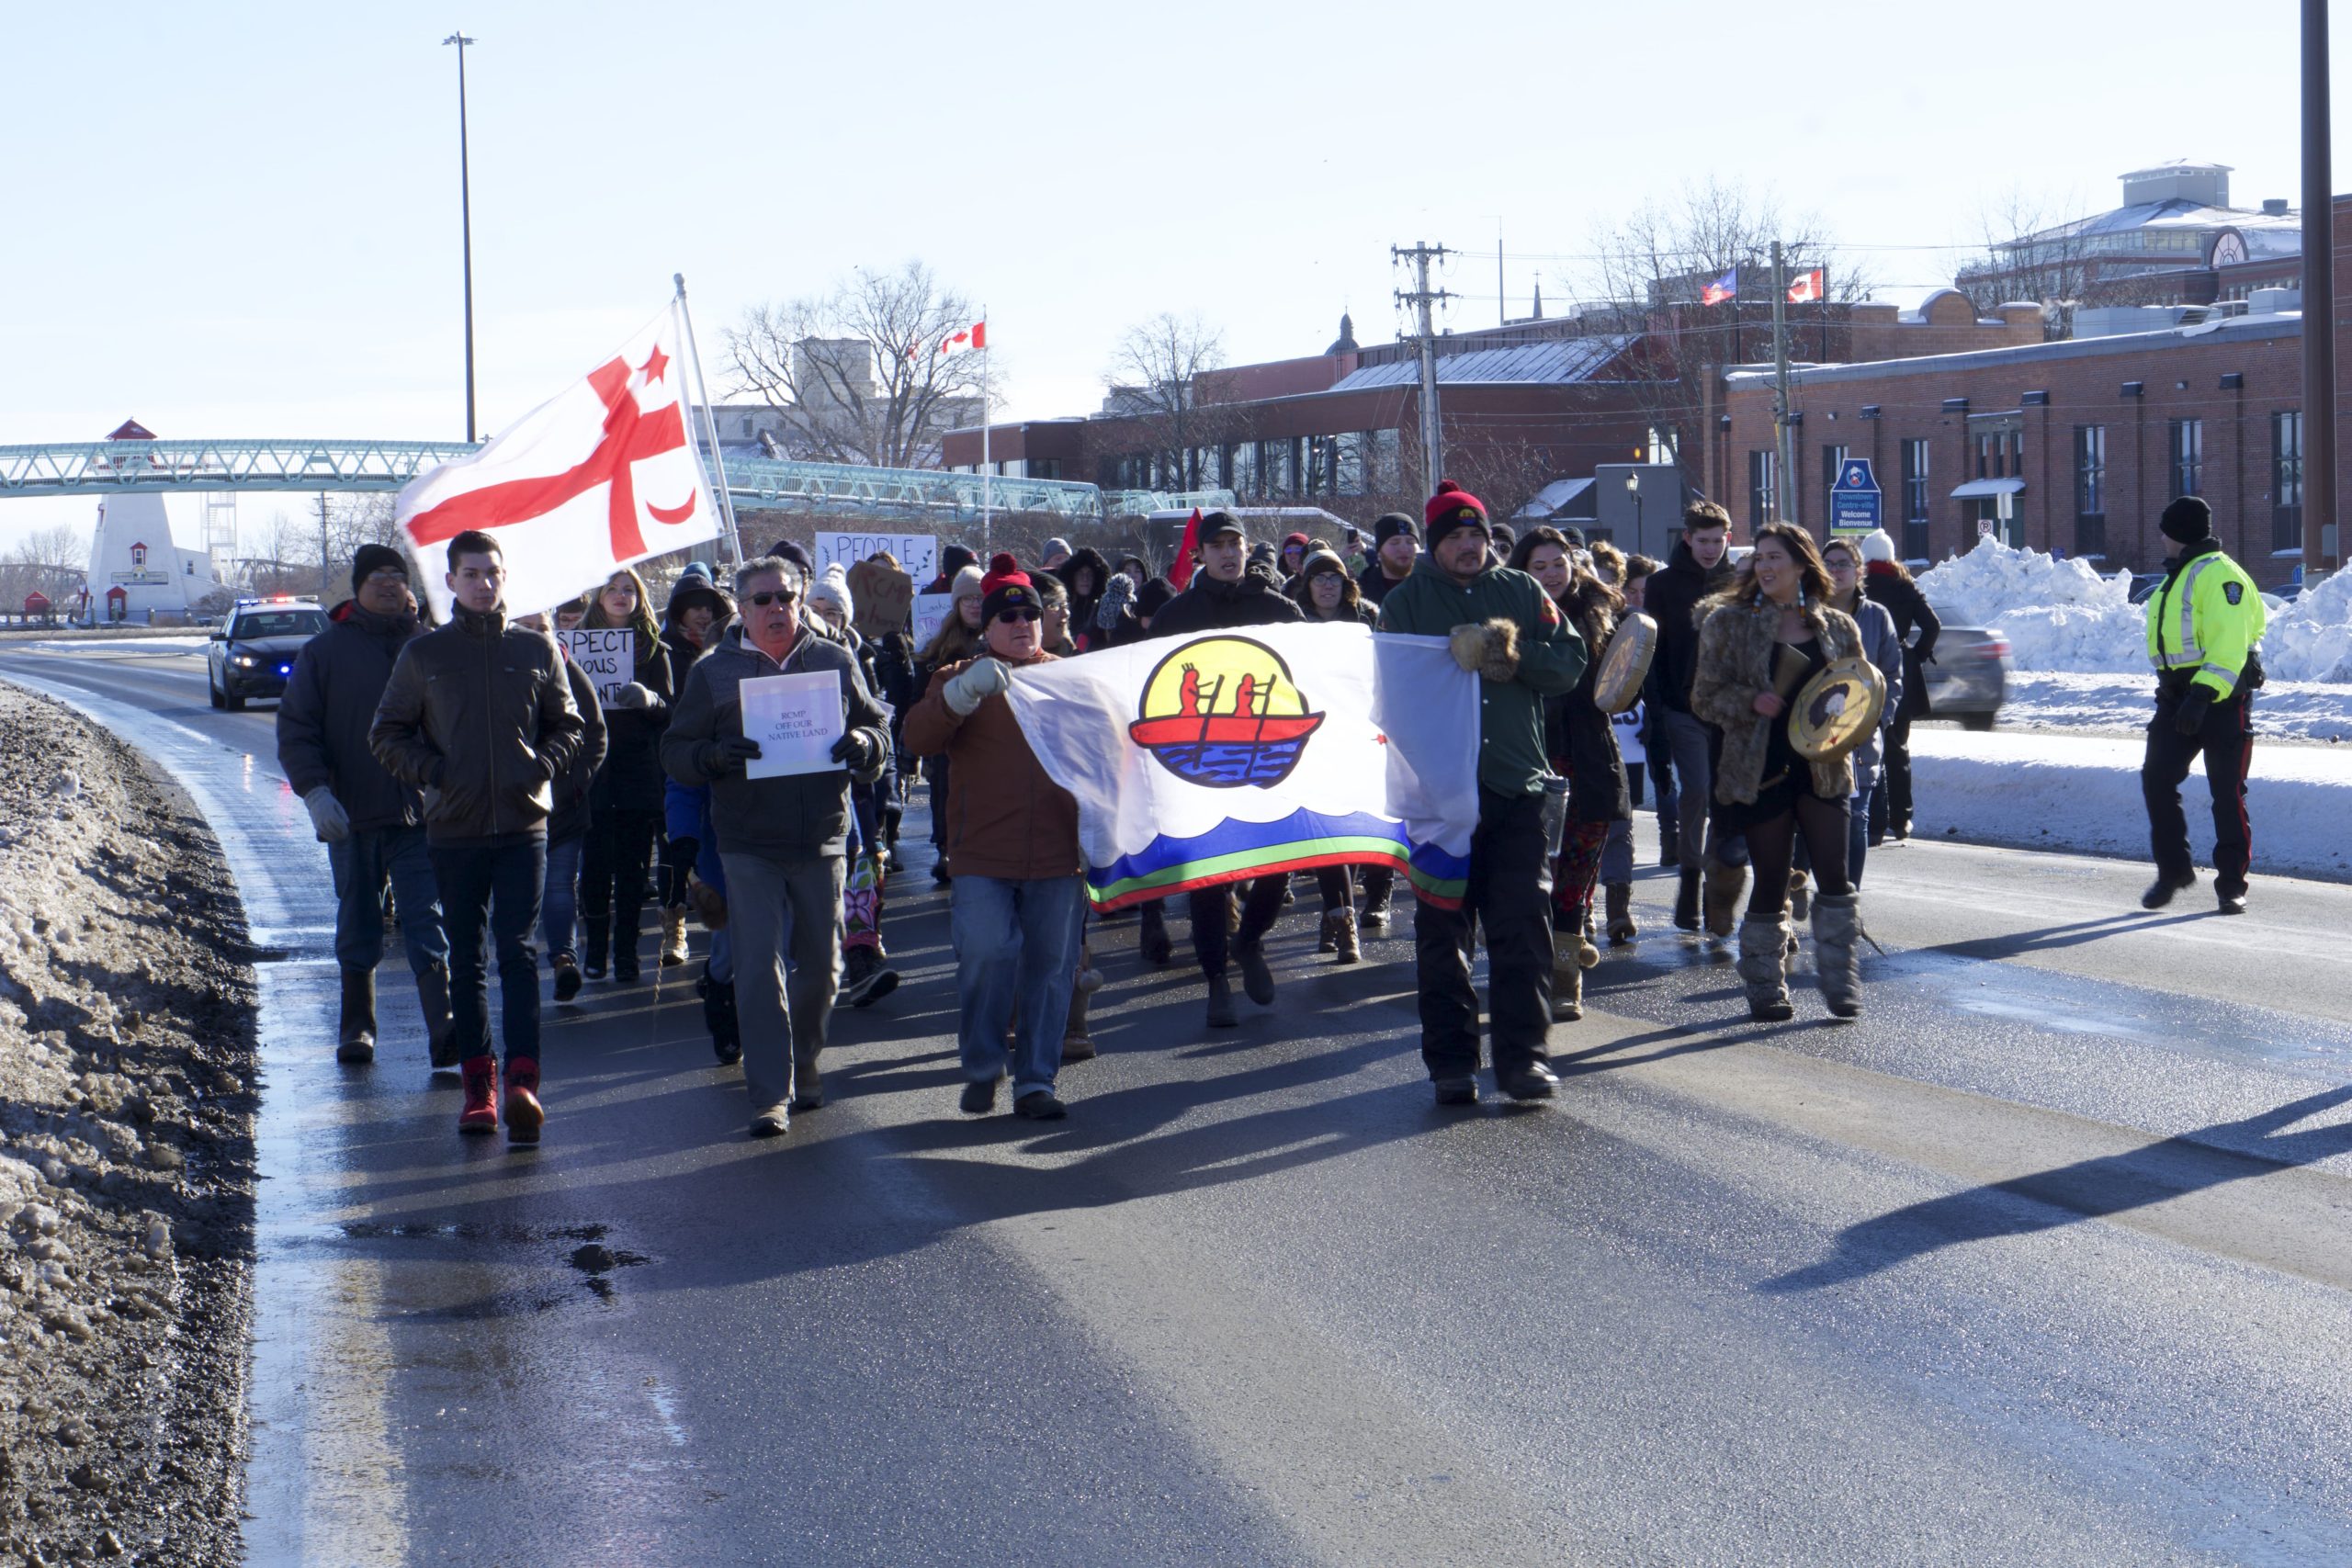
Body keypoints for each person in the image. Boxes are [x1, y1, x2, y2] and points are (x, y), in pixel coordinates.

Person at [661, 556, 893, 1139]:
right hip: (747, 843)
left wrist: (865, 744)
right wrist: (713, 756)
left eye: (786, 597)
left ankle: (807, 1061)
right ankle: (771, 1093)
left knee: (822, 969)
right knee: (759, 970)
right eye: (762, 599)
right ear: (741, 608)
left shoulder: (834, 659)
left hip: (821, 837)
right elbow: (675, 752)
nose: (776, 608)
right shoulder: (714, 672)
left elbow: (881, 733)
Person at [369, 530, 586, 1143]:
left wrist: (539, 766)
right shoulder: (425, 655)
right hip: (454, 829)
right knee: (465, 959)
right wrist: (435, 772)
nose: (484, 583)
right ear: (452, 581)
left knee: (517, 952)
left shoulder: (535, 648)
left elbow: (568, 724)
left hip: (523, 826)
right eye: (472, 574)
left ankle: (523, 1082)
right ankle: (478, 1089)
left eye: (492, 572)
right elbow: (386, 734)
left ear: (503, 577)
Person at [1379, 481, 1588, 1103]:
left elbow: (1570, 662)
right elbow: (1386, 693)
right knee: (1444, 936)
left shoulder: (1520, 590)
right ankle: (1451, 1063)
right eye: (1456, 537)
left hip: (1515, 787)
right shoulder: (1407, 603)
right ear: (1436, 545)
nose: (1469, 546)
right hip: (1439, 800)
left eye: (1477, 534)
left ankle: (1524, 1059)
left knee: (1523, 929)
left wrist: (1511, 658)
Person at [903, 557, 1086, 1119]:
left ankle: (1035, 1082)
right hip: (982, 853)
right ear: (987, 626)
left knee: (1050, 970)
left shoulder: (1070, 679)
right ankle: (984, 1063)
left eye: (1030, 613)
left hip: (1059, 854)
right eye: (1008, 615)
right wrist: (959, 697)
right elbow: (916, 738)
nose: (1021, 623)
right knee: (986, 953)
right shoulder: (956, 675)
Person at [276, 544, 452, 1067]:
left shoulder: (431, 648)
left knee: (428, 919)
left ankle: (444, 1028)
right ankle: (357, 1027)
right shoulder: (324, 653)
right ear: (357, 588)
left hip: (422, 813)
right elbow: (297, 730)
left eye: (397, 576)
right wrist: (315, 792)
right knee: (358, 919)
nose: (388, 584)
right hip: (351, 815)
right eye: (376, 576)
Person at [1688, 523, 1867, 1022]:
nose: (1765, 567)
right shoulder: (1728, 624)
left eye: (1775, 558)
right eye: (1760, 558)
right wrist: (1750, 700)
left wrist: (1848, 718)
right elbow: (1703, 697)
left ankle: (1840, 981)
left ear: (1802, 566)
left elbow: (1857, 693)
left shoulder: (1837, 626)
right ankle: (1766, 984)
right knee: (1771, 878)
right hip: (1759, 767)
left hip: (1823, 767)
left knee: (1834, 877)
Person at [1148, 510, 1306, 1026]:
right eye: (1216, 544)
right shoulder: (1175, 616)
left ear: (1246, 548)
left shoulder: (1279, 609)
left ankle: (1251, 940)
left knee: (1277, 864)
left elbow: (1308, 675)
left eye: (1234, 542)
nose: (1227, 552)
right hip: (1199, 764)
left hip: (1266, 760)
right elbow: (1150, 688)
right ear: (1200, 554)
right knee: (1208, 876)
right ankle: (1216, 978)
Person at [1510, 527, 1628, 1021]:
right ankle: (1532, 968)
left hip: (1590, 764)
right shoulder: (1510, 620)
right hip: (1529, 765)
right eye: (1539, 567)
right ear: (1522, 572)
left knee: (1575, 878)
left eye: (1558, 563)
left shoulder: (1599, 613)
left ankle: (1565, 980)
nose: (1551, 574)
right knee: (1534, 877)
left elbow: (1628, 689)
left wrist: (1623, 683)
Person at [2140, 496, 2267, 915]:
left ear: (2180, 534)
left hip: (2220, 700)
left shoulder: (2220, 575)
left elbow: (2230, 645)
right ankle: (2174, 869)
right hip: (2178, 698)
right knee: (2157, 778)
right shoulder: (2176, 576)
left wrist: (2201, 696)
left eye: (2166, 529)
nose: (2161, 536)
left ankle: (2231, 885)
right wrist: (2178, 694)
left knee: (2226, 794)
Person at [1645, 502, 1742, 935]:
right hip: (1683, 710)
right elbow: (1655, 652)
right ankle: (1689, 881)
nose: (1710, 549)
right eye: (1702, 540)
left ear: (1728, 538)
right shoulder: (1663, 585)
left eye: (1717, 540)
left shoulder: (1740, 582)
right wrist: (1660, 711)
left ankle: (1719, 890)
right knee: (1697, 791)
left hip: (1730, 711)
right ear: (1687, 538)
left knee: (1728, 799)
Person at [575, 567, 674, 983]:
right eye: (612, 589)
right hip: (591, 773)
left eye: (628, 589)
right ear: (598, 597)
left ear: (639, 598)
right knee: (595, 866)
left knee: (634, 871)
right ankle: (596, 951)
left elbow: (672, 713)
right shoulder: (574, 648)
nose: (620, 595)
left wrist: (651, 700)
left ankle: (628, 954)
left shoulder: (656, 652)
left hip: (637, 772)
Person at [1290, 546, 1380, 962]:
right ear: (1307, 584)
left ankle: (1332, 916)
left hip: (1357, 737)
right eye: (1319, 578)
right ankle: (1345, 928)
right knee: (1326, 832)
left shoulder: (1368, 621)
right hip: (1311, 740)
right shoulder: (1290, 624)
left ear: (1347, 584)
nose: (1327, 585)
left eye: (1335, 578)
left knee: (1352, 832)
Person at [1818, 537, 1905, 891]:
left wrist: (1877, 720)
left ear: (1859, 571)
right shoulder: (1807, 614)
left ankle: (1846, 900)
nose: (1836, 571)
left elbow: (1893, 676)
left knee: (1857, 820)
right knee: (1812, 823)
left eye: (1843, 564)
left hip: (1861, 740)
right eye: (1830, 564)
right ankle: (1798, 889)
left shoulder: (1876, 617)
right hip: (1815, 736)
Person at [538, 597, 609, 1004]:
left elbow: (596, 734)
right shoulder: (496, 671)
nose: (536, 635)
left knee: (560, 885)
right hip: (510, 805)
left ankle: (564, 958)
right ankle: (518, 965)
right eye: (525, 627)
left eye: (541, 627)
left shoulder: (569, 669)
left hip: (564, 802)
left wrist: (576, 783)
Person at [1860, 529, 1939, 844]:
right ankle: (1902, 819)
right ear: (1892, 557)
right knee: (1898, 748)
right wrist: (1914, 656)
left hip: (1864, 672)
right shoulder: (1905, 585)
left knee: (1868, 746)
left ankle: (1875, 823)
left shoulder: (1859, 587)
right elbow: (1933, 625)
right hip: (1899, 672)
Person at [914, 559, 989, 886]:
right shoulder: (939, 647)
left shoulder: (999, 640)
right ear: (956, 603)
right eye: (967, 598)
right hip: (948, 739)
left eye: (980, 598)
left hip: (987, 737)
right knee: (944, 790)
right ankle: (946, 847)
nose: (974, 604)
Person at [1356, 513, 1419, 607]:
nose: (1404, 548)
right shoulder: (1360, 592)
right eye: (1395, 542)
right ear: (1379, 551)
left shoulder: (1431, 588)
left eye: (1410, 542)